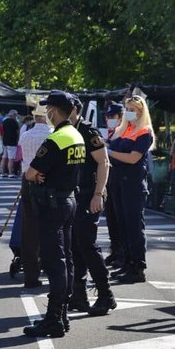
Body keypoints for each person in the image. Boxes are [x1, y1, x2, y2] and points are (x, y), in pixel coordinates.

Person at [22, 90, 85, 338]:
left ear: (55, 111)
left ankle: (53, 319)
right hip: (69, 200)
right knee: (66, 259)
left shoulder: (56, 139)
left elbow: (30, 173)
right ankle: (62, 314)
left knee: (53, 262)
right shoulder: (76, 135)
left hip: (52, 205)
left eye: (49, 108)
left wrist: (35, 174)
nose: (47, 112)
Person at [67, 96, 116, 316]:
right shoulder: (66, 130)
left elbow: (104, 162)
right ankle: (79, 295)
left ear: (75, 109)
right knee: (75, 246)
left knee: (87, 245)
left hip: (89, 195)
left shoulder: (87, 130)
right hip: (74, 195)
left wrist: (98, 193)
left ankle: (106, 295)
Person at [107, 94, 155, 284]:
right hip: (118, 181)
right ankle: (126, 262)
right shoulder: (123, 129)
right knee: (122, 224)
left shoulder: (144, 132)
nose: (128, 112)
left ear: (141, 112)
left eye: (132, 109)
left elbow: (133, 158)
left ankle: (137, 266)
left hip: (133, 184)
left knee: (134, 226)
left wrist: (109, 152)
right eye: (127, 109)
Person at [17, 104, 52, 288]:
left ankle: (30, 273)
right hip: (47, 181)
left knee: (29, 229)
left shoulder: (26, 135)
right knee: (51, 227)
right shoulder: (53, 134)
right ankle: (49, 266)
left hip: (27, 180)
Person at [103, 102, 125, 269]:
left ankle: (123, 253)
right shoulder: (109, 133)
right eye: (108, 116)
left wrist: (107, 149)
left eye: (113, 117)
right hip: (109, 181)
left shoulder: (124, 133)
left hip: (120, 179)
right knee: (111, 217)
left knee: (120, 219)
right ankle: (115, 249)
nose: (109, 119)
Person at [0, 110, 20, 177]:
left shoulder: (4, 122)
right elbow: (17, 132)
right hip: (12, 142)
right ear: (13, 115)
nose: (16, 116)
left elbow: (1, 132)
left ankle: (2, 173)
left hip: (5, 141)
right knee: (11, 159)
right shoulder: (15, 122)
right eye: (16, 115)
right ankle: (10, 173)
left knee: (4, 157)